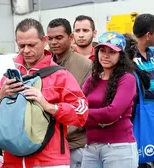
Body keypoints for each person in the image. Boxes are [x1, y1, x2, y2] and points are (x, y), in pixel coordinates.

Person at [0, 18, 88, 168]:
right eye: (21, 45)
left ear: (44, 40)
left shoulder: (60, 76)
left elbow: (81, 114)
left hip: (49, 161)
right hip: (12, 161)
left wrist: (49, 106)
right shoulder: (9, 75)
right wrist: (1, 95)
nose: (26, 50)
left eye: (31, 45)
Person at [81, 32, 138, 168]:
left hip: (119, 148)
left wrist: (86, 116)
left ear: (121, 55)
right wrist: (101, 121)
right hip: (91, 147)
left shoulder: (127, 79)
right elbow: (78, 108)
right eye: (102, 50)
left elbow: (112, 112)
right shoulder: (92, 79)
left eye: (112, 52)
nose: (105, 55)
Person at [47, 18, 92, 168]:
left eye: (59, 38)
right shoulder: (44, 65)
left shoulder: (85, 65)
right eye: (50, 38)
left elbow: (86, 106)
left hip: (75, 144)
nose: (53, 42)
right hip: (48, 145)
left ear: (70, 38)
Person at [133, 13, 154, 168]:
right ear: (148, 35)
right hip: (141, 115)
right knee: (142, 158)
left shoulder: (153, 52)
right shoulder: (129, 54)